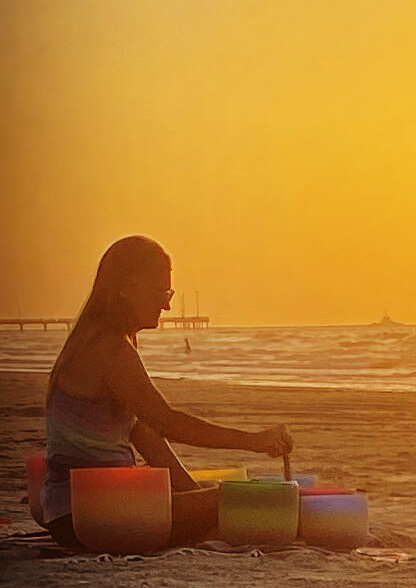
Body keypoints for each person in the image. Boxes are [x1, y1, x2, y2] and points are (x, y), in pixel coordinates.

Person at [42, 235, 294, 549]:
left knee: (214, 491)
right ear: (125, 287)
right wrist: (254, 441)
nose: (167, 303)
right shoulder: (110, 350)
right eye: (160, 291)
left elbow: (142, 431)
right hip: (93, 516)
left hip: (72, 512)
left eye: (169, 291)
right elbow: (168, 424)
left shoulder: (95, 338)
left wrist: (190, 493)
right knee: (241, 499)